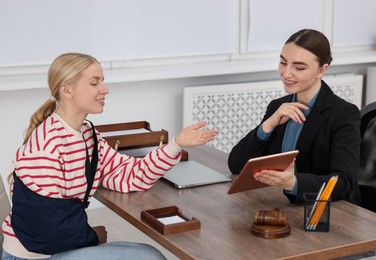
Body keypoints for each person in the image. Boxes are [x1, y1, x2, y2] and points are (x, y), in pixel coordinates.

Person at [1, 53, 217, 260]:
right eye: (95, 83)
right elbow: (44, 229)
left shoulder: (88, 135)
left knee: (148, 253)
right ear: (67, 90)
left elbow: (131, 176)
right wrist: (91, 237)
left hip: (57, 244)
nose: (105, 89)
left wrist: (176, 144)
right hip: (35, 254)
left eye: (102, 81)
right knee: (148, 257)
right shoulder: (46, 146)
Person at [228, 29, 361, 205]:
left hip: (327, 211)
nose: (286, 73)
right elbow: (236, 165)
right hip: (282, 204)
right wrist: (268, 125)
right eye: (283, 63)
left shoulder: (344, 114)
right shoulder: (278, 107)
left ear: (322, 70)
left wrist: (293, 183)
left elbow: (345, 183)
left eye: (299, 67)